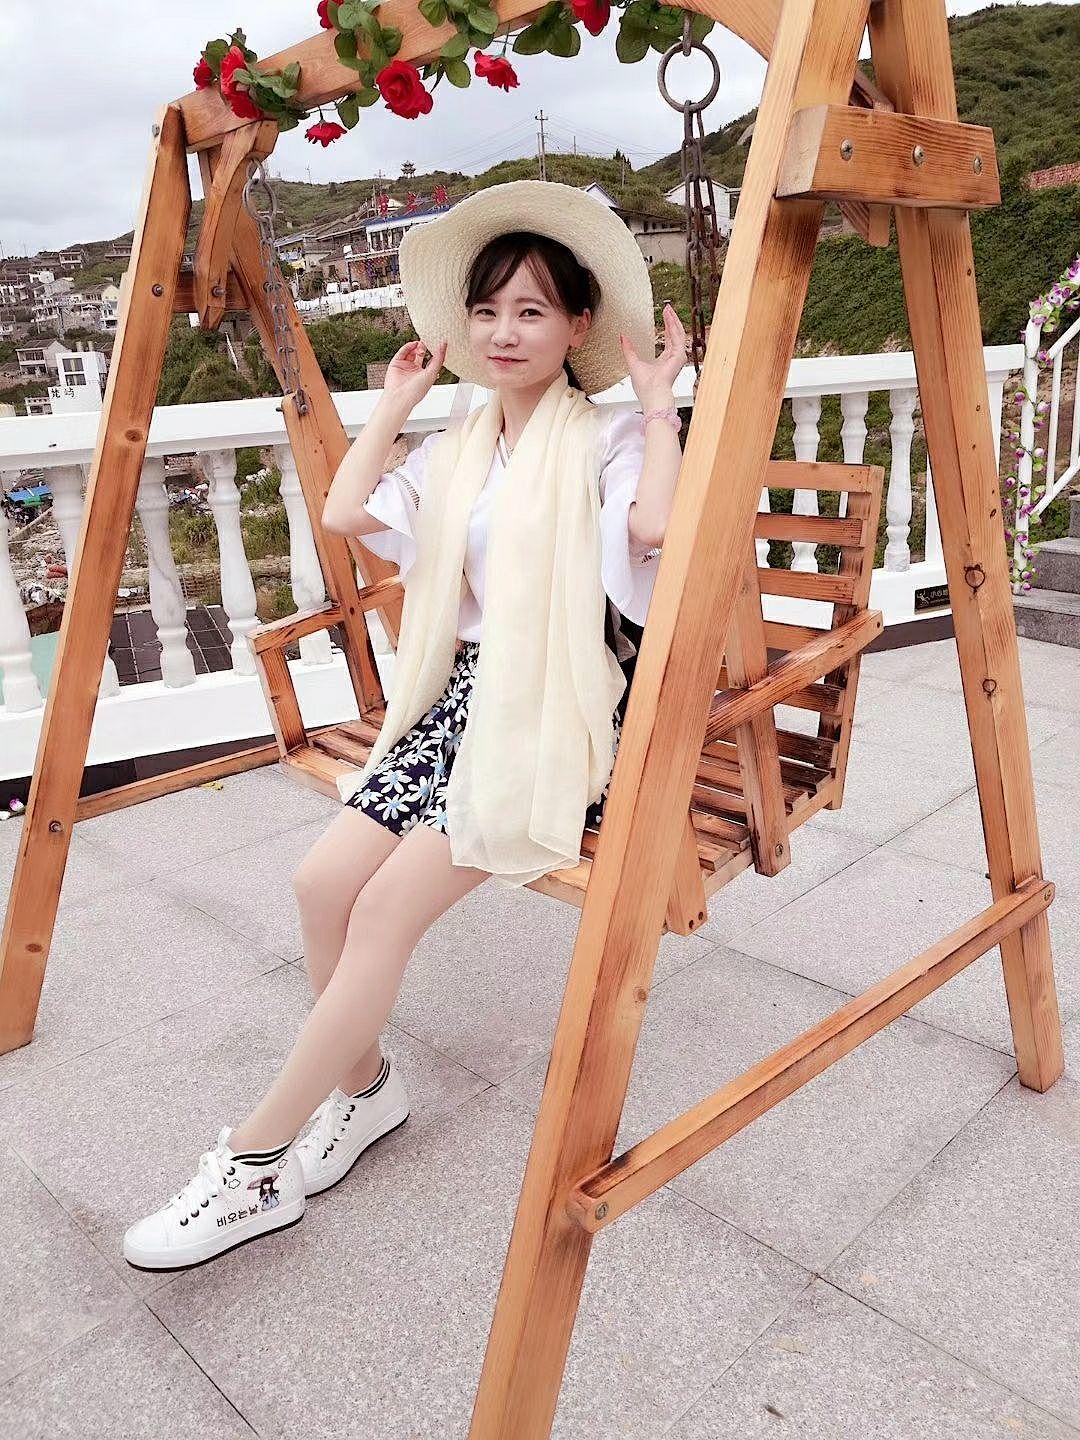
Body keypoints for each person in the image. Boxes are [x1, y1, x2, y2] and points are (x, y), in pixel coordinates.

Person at [123, 179, 687, 1271]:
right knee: (318, 887)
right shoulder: (458, 448)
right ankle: (368, 1091)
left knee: (381, 911)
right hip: (458, 700)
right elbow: (346, 513)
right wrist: (393, 402)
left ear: (578, 325)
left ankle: (253, 1164)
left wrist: (660, 402)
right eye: (487, 311)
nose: (504, 332)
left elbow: (656, 525)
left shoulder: (607, 438)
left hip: (548, 708)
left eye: (531, 310)